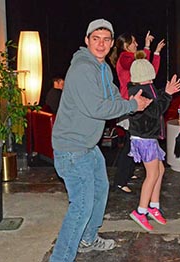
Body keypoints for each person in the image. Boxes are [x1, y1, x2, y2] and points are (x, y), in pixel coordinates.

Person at [49, 19, 153, 261]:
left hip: (87, 145)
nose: (101, 43)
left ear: (111, 43)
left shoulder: (103, 68)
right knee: (81, 205)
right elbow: (98, 108)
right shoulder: (83, 68)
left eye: (106, 39)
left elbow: (112, 95)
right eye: (96, 38)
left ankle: (87, 238)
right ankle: (60, 258)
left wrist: (131, 101)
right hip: (72, 148)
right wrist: (131, 105)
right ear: (87, 41)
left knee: (100, 189)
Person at [127, 51, 180, 231]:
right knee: (151, 174)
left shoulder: (145, 87)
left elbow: (156, 100)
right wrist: (166, 94)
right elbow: (155, 111)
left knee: (160, 170)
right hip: (144, 139)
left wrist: (164, 93)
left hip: (149, 137)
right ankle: (140, 212)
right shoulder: (139, 93)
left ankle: (153, 207)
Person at [109, 31, 165, 194]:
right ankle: (120, 181)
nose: (136, 44)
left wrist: (155, 52)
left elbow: (149, 70)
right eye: (134, 42)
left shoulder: (132, 59)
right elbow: (140, 63)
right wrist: (148, 47)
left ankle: (125, 174)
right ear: (126, 45)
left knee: (132, 142)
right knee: (130, 144)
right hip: (130, 105)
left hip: (136, 105)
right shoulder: (125, 58)